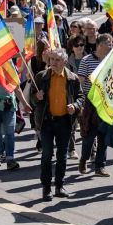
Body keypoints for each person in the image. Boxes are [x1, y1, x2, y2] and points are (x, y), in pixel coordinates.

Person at [32, 47, 84, 200]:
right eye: (52, 59)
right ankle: (46, 188)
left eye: (57, 60)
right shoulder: (42, 77)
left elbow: (81, 98)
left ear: (65, 62)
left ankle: (59, 186)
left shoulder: (72, 79)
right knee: (47, 155)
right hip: (46, 121)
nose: (53, 62)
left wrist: (74, 106)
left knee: (62, 157)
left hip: (65, 122)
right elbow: (32, 99)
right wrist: (37, 97)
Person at [77, 34, 113, 176]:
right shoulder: (86, 61)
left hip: (106, 103)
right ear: (100, 45)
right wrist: (80, 102)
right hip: (90, 104)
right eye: (109, 43)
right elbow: (79, 82)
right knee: (89, 136)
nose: (111, 46)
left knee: (103, 136)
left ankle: (100, 166)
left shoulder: (111, 61)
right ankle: (84, 159)